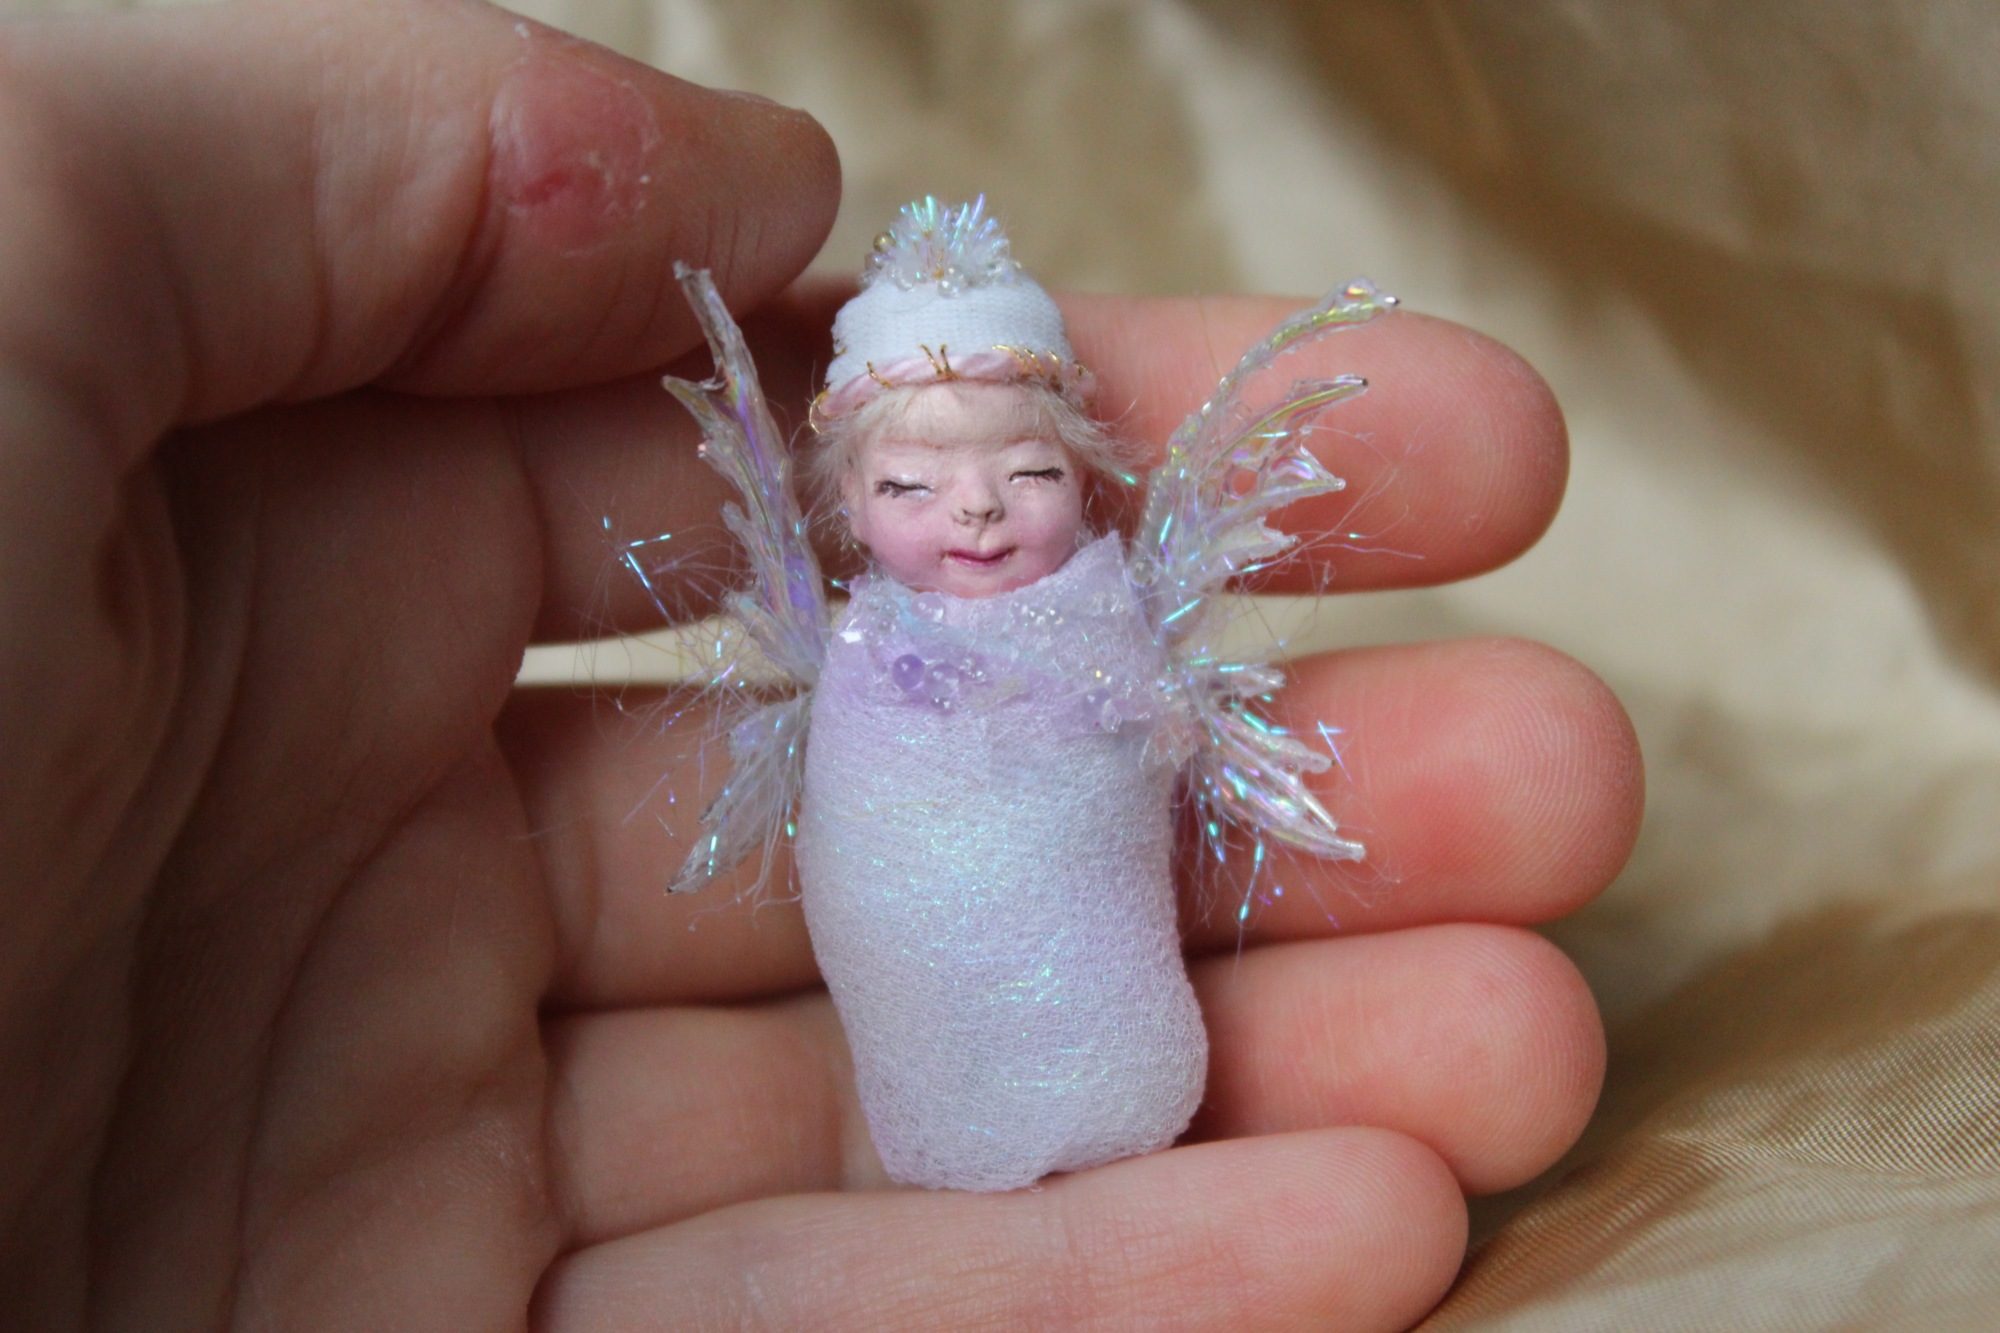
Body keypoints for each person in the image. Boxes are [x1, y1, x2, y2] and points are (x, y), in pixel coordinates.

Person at [0, 2, 1642, 1327]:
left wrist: (1095, 710)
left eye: (1023, 473)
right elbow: (859, 827)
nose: (976, 513)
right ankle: (959, 1111)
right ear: (850, 506)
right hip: (923, 990)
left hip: (1100, 983)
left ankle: (1103, 1081)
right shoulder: (865, 647)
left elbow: (1141, 749)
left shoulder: (1098, 613)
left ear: (1082, 477)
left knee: (1116, 1002)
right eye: (915, 487)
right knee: (931, 999)